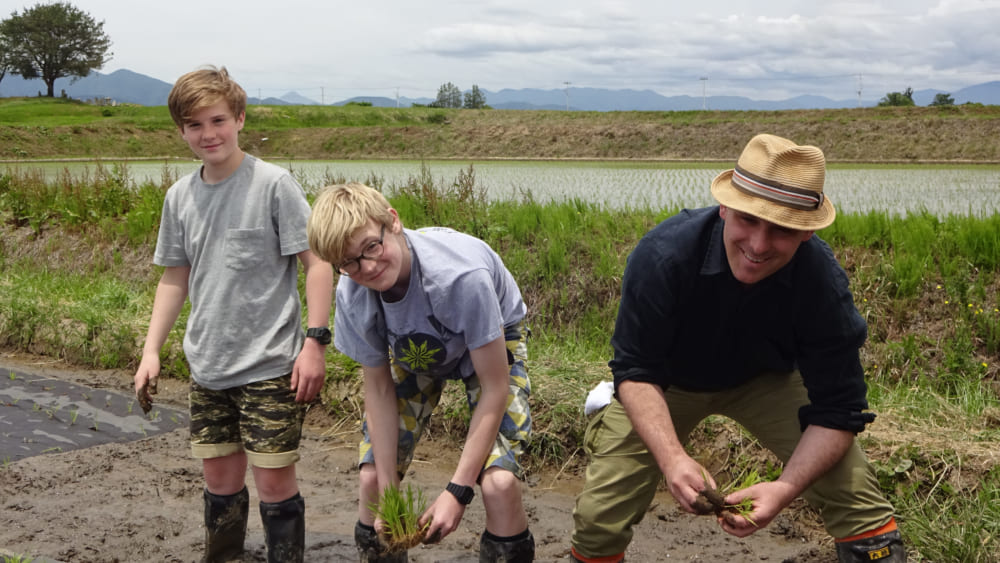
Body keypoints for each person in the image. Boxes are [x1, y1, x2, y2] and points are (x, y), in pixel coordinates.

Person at [570, 133, 906, 563]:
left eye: (782, 229)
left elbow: (839, 410)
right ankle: (606, 431)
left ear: (806, 232)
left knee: (857, 497)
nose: (759, 246)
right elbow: (636, 369)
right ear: (725, 207)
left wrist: (784, 490)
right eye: (748, 220)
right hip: (664, 385)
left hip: (767, 382)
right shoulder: (663, 256)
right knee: (601, 515)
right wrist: (673, 460)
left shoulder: (821, 283)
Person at [133, 66, 333, 563]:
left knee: (273, 480)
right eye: (194, 125)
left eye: (218, 120)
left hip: (269, 365)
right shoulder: (179, 197)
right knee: (219, 480)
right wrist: (150, 350)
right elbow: (174, 278)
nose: (208, 134)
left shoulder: (273, 185)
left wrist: (314, 343)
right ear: (181, 131)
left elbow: (318, 264)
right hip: (209, 365)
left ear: (239, 119)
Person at [306, 182, 535, 563]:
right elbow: (378, 391)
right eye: (348, 263)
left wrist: (457, 492)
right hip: (417, 349)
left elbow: (495, 388)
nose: (366, 267)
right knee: (372, 480)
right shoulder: (353, 293)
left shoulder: (460, 277)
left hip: (490, 342)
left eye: (371, 247)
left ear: (392, 221)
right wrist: (389, 492)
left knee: (498, 482)